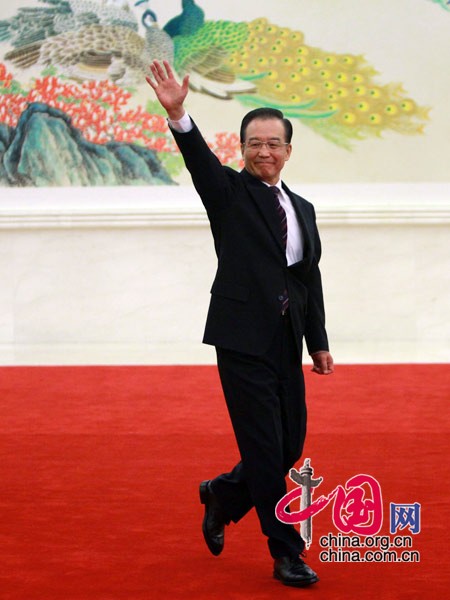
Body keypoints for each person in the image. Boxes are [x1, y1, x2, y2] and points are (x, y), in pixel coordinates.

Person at [146, 60, 334, 588]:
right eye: (254, 143)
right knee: (264, 451)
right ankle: (286, 552)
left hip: (286, 341)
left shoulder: (303, 209)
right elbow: (199, 162)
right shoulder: (229, 195)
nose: (264, 151)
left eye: (273, 143)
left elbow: (307, 279)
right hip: (241, 339)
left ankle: (224, 494)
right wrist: (179, 113)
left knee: (289, 446)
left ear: (288, 150)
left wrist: (317, 343)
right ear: (243, 148)